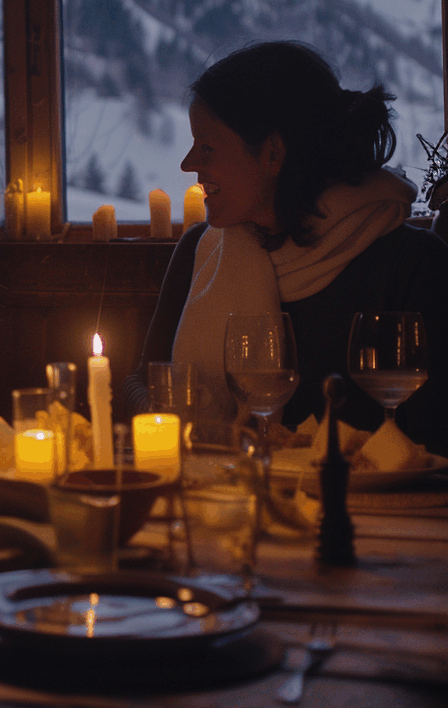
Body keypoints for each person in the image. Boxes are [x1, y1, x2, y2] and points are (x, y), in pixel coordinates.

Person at [121, 41, 448, 457]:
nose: (187, 164)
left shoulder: (413, 266)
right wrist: (174, 420)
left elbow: (435, 438)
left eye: (206, 148)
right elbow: (142, 379)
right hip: (233, 498)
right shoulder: (199, 252)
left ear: (273, 154)